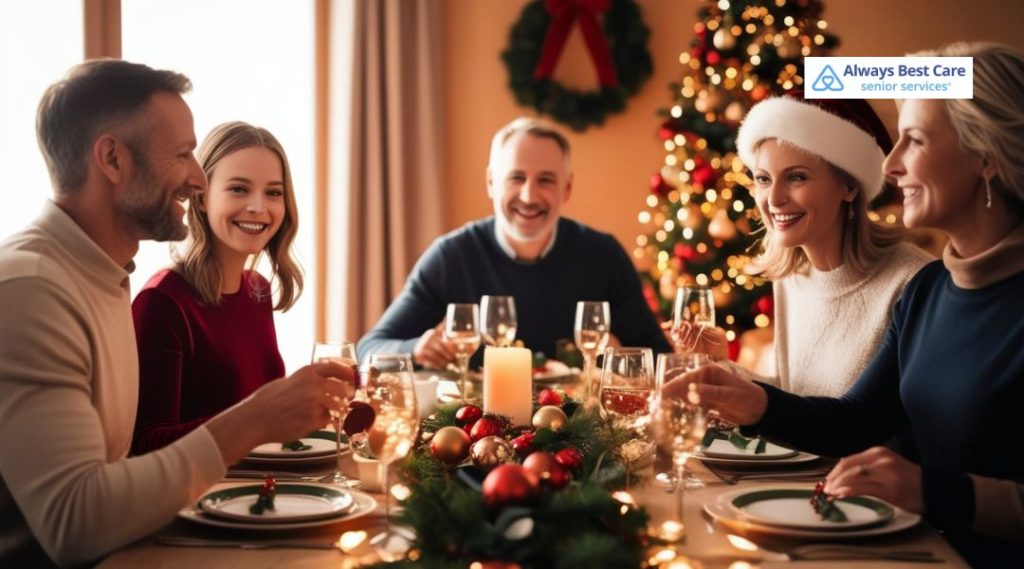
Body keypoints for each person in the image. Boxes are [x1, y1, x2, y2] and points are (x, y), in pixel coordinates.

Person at [666, 42, 1024, 567]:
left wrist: (932, 490)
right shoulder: (930, 291)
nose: (891, 164)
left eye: (915, 139)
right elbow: (855, 420)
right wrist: (751, 401)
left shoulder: (916, 280)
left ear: (987, 156)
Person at [0, 60, 353, 568]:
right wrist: (255, 418)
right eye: (182, 154)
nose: (196, 177)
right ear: (113, 159)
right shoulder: (33, 288)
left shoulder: (101, 275)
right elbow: (73, 524)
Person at [358, 117, 670, 368]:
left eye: (545, 180)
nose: (529, 196)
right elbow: (369, 349)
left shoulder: (603, 255)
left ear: (567, 189)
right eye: (516, 178)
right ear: (491, 183)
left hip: (582, 424)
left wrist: (617, 354)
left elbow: (659, 357)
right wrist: (415, 348)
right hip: (474, 423)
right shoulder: (451, 256)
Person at [689, 92, 931, 396]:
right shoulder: (792, 277)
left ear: (849, 186)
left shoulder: (914, 281)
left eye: (796, 177)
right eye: (763, 179)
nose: (774, 199)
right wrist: (721, 366)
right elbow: (796, 399)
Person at [131, 122, 303, 454]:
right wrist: (260, 417)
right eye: (239, 189)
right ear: (201, 199)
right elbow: (145, 446)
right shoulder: (162, 302)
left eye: (273, 192)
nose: (258, 207)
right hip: (200, 488)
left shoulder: (257, 291)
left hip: (257, 481)